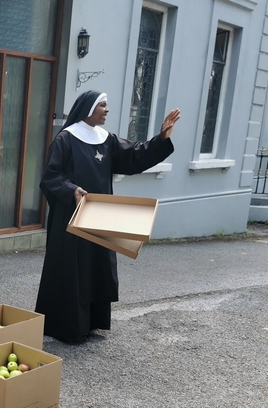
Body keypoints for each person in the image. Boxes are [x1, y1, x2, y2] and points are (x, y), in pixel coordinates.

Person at [35, 90, 181, 342]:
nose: (107, 109)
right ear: (89, 109)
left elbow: (135, 155)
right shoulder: (66, 140)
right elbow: (51, 176)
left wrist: (161, 138)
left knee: (96, 268)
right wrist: (72, 190)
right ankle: (66, 327)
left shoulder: (106, 139)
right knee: (72, 270)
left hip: (98, 215)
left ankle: (91, 323)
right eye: (102, 105)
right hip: (71, 219)